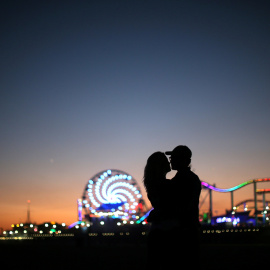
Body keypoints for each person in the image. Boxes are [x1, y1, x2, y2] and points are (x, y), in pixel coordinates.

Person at [165, 145, 202, 268]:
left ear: (186, 161)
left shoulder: (184, 180)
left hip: (183, 232)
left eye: (175, 158)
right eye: (172, 158)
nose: (171, 160)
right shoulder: (188, 178)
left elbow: (184, 206)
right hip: (187, 229)